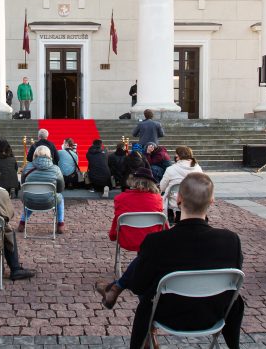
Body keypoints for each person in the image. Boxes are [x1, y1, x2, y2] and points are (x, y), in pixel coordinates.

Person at [128, 172, 244, 349]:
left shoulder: (156, 242)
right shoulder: (230, 240)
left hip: (168, 315)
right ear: (211, 200)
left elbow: (138, 285)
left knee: (147, 294)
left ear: (178, 199)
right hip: (213, 314)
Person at [95, 167, 165, 307]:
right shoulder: (157, 199)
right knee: (146, 255)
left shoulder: (121, 198)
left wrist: (113, 235)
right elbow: (163, 225)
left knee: (145, 257)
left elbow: (117, 221)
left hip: (128, 239)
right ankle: (117, 288)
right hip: (152, 241)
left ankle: (116, 288)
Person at [18, 146, 65, 233]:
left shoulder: (27, 167)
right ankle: (60, 224)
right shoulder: (56, 169)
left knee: (30, 194)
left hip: (30, 201)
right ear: (49, 155)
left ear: (35, 154)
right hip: (49, 201)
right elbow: (60, 189)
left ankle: (22, 222)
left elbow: (23, 185)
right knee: (60, 197)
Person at [159, 146, 203, 222]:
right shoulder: (198, 168)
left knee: (167, 193)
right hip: (192, 200)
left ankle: (171, 216)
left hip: (174, 201)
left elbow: (162, 187)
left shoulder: (171, 169)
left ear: (178, 156)